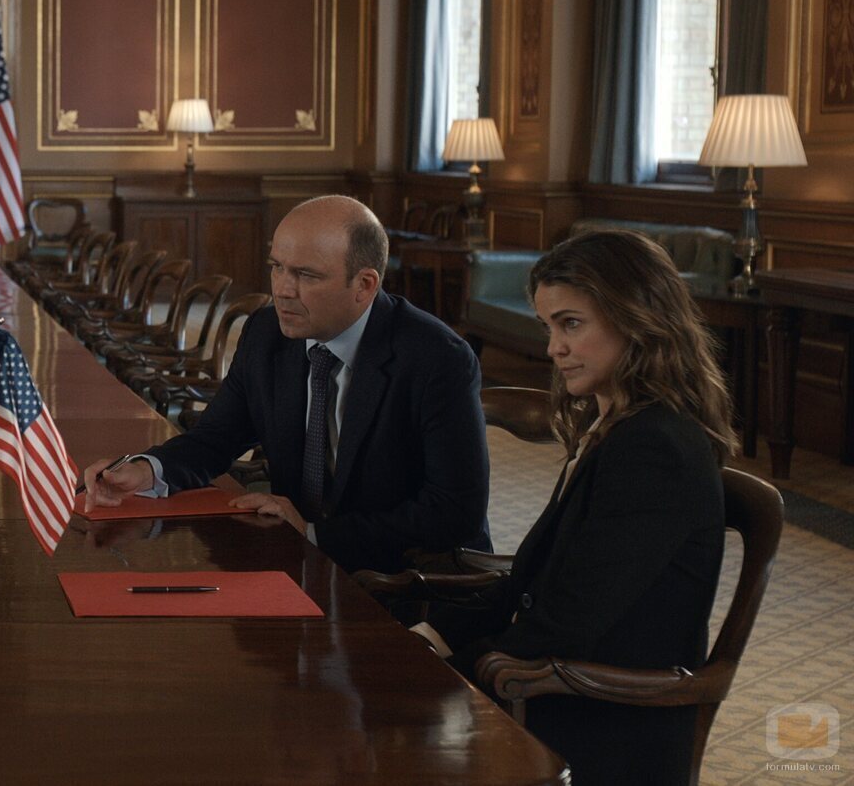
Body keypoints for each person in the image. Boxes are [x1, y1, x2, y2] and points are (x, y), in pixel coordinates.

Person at [412, 230, 731, 784]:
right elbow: (531, 581)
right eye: (549, 327)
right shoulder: (615, 425)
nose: (554, 347)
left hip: (605, 720)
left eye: (571, 324)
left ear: (636, 319)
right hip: (560, 686)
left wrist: (452, 672)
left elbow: (570, 621)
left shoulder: (656, 447)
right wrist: (431, 637)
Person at [82, 195, 490, 572]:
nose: (282, 290)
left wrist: (316, 535)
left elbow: (453, 512)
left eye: (306, 276)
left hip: (408, 576)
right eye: (276, 267)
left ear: (364, 286)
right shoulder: (267, 332)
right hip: (295, 560)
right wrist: (145, 471)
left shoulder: (437, 359)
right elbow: (216, 438)